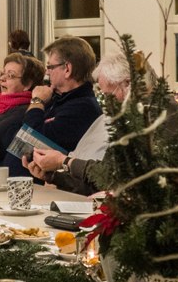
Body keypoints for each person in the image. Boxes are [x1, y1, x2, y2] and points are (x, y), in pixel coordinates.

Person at [24, 52, 132, 193]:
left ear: (128, 84)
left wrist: (64, 161)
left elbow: (108, 176)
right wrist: (53, 177)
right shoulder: (106, 118)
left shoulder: (85, 107)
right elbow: (93, 182)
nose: (46, 72)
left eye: (108, 95)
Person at [4, 36, 103, 173]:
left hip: (42, 187)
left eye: (50, 66)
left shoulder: (83, 107)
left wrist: (37, 101)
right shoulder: (56, 98)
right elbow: (12, 135)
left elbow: (29, 136)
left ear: (67, 69)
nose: (47, 72)